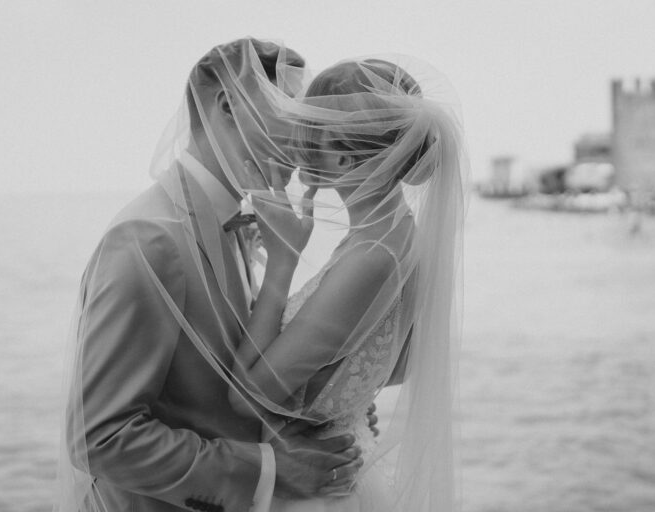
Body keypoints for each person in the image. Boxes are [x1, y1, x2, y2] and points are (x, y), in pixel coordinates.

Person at [55, 38, 366, 512]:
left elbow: (227, 387)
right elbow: (99, 437)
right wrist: (271, 471)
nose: (303, 139)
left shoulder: (237, 224)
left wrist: (327, 410)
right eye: (290, 111)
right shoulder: (149, 239)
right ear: (228, 105)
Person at [210, 56, 469, 511]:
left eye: (310, 128)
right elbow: (400, 366)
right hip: (343, 466)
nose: (296, 143)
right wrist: (341, 400)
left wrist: (282, 262)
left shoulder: (373, 256)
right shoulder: (398, 237)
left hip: (319, 494)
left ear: (342, 157)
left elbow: (246, 399)